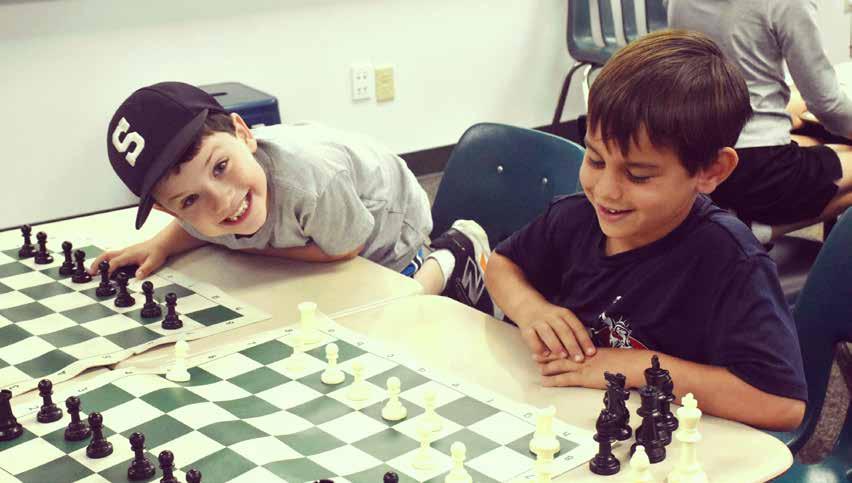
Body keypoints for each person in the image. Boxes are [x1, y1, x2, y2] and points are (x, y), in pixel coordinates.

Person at [485, 30, 806, 431]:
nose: (605, 191)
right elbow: (501, 264)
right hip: (569, 419)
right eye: (595, 160)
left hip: (671, 442)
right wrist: (531, 309)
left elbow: (782, 405)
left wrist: (640, 367)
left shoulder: (730, 260)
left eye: (637, 175)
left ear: (711, 170)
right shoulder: (574, 218)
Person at [92, 81, 491, 310]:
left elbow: (345, 249)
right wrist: (160, 245)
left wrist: (247, 250)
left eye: (220, 167)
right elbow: (195, 227)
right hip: (324, 220)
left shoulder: (311, 183)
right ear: (169, 210)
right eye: (190, 201)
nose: (222, 201)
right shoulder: (203, 206)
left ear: (243, 134)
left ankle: (454, 253)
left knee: (397, 308)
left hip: (388, 224)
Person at [667, 0, 852, 241]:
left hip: (700, 154)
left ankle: (740, 220)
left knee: (810, 128)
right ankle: (756, 231)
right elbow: (827, 105)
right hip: (757, 169)